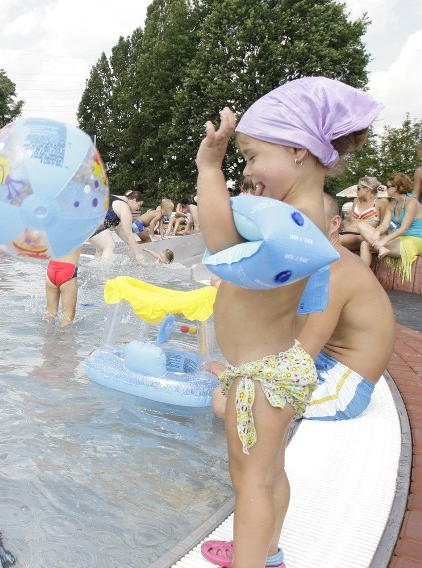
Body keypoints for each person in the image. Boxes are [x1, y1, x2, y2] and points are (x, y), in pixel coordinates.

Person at [196, 77, 381, 568]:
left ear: (298, 151)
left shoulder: (291, 218)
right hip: (279, 368)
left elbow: (217, 239)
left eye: (255, 155)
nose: (249, 169)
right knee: (270, 473)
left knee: (250, 483)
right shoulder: (306, 214)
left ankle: (251, 558)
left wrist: (209, 166)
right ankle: (269, 552)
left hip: (260, 376)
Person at [298, 193, 395, 420]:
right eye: (295, 219)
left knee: (242, 399)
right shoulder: (326, 261)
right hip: (325, 361)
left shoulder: (334, 273)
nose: (299, 227)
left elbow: (301, 357)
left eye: (309, 218)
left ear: (334, 224)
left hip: (344, 386)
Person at [358, 172, 422, 282]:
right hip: (398, 239)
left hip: (413, 240)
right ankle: (363, 277)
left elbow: (404, 228)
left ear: (396, 187)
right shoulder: (392, 204)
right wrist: (377, 232)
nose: (385, 188)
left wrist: (384, 240)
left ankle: (363, 280)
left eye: (388, 186)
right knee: (361, 227)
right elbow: (384, 224)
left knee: (367, 244)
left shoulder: (412, 202)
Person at [88, 189, 147, 262]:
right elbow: (128, 234)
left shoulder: (115, 198)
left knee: (101, 249)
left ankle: (95, 271)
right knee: (109, 246)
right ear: (133, 201)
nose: (138, 209)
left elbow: (119, 229)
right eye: (139, 205)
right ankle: (103, 272)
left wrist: (133, 246)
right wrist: (138, 254)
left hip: (86, 223)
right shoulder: (125, 208)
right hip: (92, 225)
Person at [338, 176, 388, 253]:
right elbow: (351, 221)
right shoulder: (356, 201)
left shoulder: (381, 203)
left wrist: (382, 241)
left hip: (362, 236)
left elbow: (384, 225)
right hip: (346, 233)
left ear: (367, 189)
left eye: (358, 188)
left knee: (335, 240)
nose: (356, 191)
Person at [44, 249, 81, 327]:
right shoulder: (79, 235)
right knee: (68, 316)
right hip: (68, 269)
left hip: (52, 267)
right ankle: (62, 339)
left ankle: (45, 338)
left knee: (49, 312)